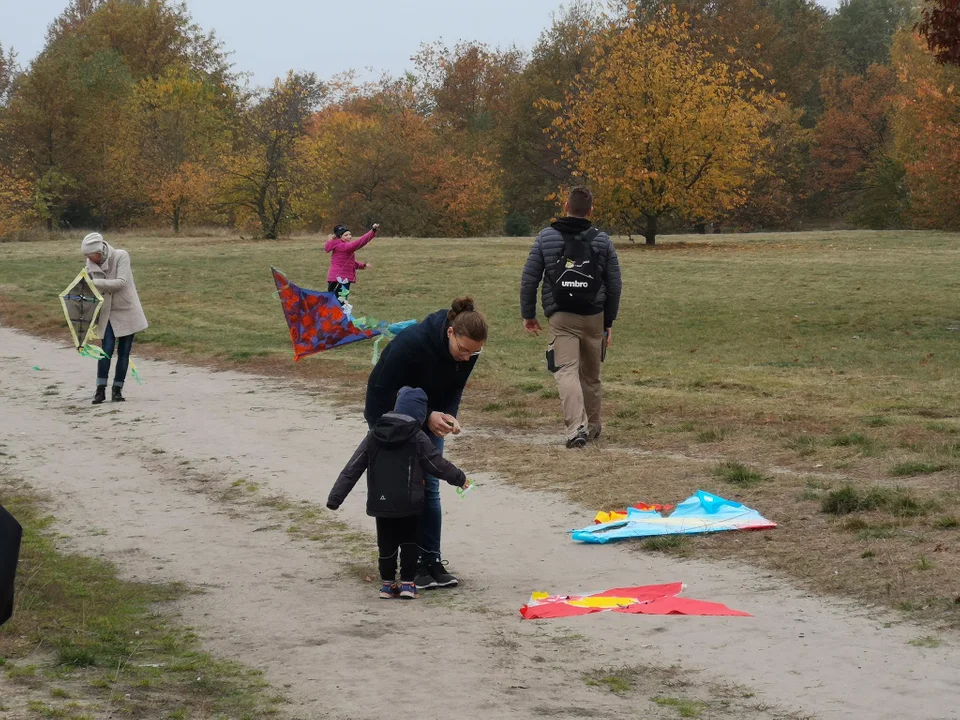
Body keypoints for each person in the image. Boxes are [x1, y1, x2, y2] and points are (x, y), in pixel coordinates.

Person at [364, 297, 487, 590]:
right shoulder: (411, 344)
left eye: (475, 352)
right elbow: (384, 393)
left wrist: (448, 417)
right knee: (407, 489)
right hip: (387, 418)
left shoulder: (467, 352)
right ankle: (405, 561)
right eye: (463, 349)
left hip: (429, 417)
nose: (467, 357)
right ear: (450, 333)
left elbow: (454, 387)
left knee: (430, 485)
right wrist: (428, 415)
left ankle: (431, 560)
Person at [327, 387, 470, 600]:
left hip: (380, 503)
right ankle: (407, 585)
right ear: (420, 415)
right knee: (409, 544)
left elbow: (353, 468)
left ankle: (386, 585)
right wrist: (460, 478)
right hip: (410, 503)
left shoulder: (374, 434)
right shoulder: (418, 436)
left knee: (386, 544)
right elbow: (436, 464)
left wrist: (335, 498)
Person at [520, 186, 622, 449]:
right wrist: (608, 323)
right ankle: (594, 425)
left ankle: (575, 429)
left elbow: (530, 279)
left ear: (566, 207)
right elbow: (614, 284)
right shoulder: (602, 240)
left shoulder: (546, 237)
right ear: (590, 210)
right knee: (591, 374)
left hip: (561, 316)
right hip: (594, 317)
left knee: (566, 372)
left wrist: (528, 314)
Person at [81, 233, 149, 405]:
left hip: (127, 309)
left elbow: (121, 283)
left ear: (100, 251)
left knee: (124, 352)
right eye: (87, 256)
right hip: (107, 311)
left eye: (92, 255)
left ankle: (117, 389)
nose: (90, 258)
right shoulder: (90, 263)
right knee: (106, 350)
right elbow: (89, 289)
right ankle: (100, 390)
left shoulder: (121, 256)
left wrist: (93, 283)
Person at [325, 223, 380, 300]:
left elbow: (350, 263)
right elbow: (359, 242)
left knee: (332, 302)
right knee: (341, 302)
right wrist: (372, 231)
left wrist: (363, 265)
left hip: (332, 279)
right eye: (346, 235)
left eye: (350, 234)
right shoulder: (344, 246)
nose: (349, 237)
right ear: (340, 236)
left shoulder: (338, 246)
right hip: (342, 280)